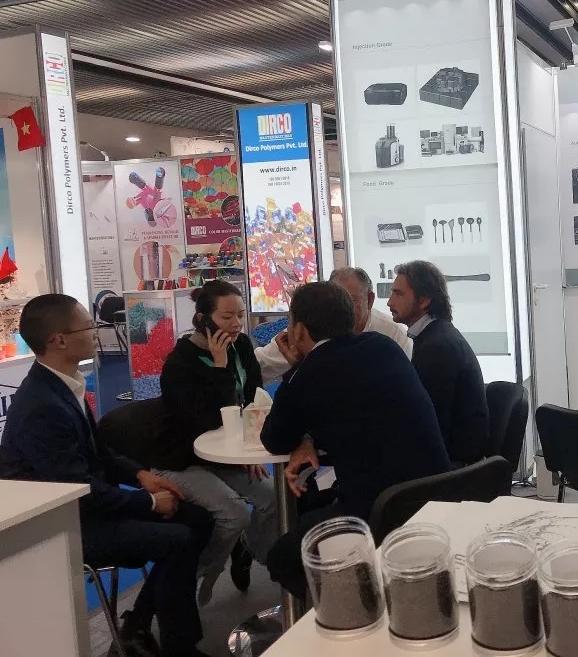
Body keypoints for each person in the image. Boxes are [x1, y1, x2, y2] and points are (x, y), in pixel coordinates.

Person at [0, 295, 214, 657]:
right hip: (66, 525)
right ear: (59, 340)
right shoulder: (41, 407)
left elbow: (99, 454)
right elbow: (76, 492)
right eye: (88, 326)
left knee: (199, 519)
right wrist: (149, 502)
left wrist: (141, 475)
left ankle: (137, 624)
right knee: (178, 539)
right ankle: (178, 647)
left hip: (92, 503)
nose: (97, 333)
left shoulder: (63, 385)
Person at [260, 282, 450, 600]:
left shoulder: (309, 374)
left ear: (299, 330)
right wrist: (308, 437)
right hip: (437, 492)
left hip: (381, 511)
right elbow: (356, 410)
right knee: (314, 503)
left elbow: (275, 440)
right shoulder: (383, 346)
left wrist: (294, 369)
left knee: (282, 557)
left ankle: (352, 611)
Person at [152, 280, 277, 605]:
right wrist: (220, 369)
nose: (236, 324)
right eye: (226, 317)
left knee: (272, 497)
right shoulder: (180, 362)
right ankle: (197, 575)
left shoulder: (242, 346)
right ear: (202, 319)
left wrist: (247, 450)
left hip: (224, 454)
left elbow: (253, 398)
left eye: (240, 315)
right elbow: (206, 420)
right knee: (235, 513)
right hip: (181, 459)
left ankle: (256, 553)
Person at [388, 260, 489, 467]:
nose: (389, 302)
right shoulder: (436, 335)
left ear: (424, 300)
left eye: (398, 294)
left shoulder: (437, 346)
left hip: (453, 465)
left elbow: (429, 421)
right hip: (454, 456)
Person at [255, 267, 411, 383]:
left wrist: (301, 367)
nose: (342, 309)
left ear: (369, 300)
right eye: (333, 303)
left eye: (352, 300)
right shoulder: (309, 330)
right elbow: (257, 366)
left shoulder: (392, 336)